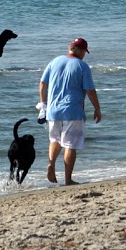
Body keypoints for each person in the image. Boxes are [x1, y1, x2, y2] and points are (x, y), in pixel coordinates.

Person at [40, 38, 102, 184]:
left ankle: (51, 164)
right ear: (80, 51)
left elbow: (43, 83)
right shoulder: (82, 66)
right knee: (70, 145)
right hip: (73, 110)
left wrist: (43, 103)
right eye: (84, 52)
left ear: (70, 48)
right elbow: (90, 90)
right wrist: (97, 108)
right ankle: (68, 180)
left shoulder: (54, 61)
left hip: (53, 110)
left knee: (54, 140)